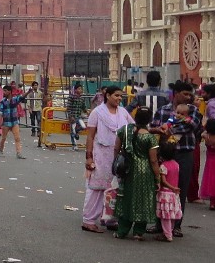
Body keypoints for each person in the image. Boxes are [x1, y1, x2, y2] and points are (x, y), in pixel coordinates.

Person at [149, 80, 201, 237]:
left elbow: (191, 126)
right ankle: (159, 223)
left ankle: (176, 225)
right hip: (164, 155)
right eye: (185, 94)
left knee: (180, 190)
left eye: (190, 94)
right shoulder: (163, 110)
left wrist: (167, 129)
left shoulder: (193, 111)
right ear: (176, 94)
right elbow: (154, 127)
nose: (188, 97)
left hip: (184, 154)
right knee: (161, 188)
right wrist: (159, 130)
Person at [82, 86, 135, 233]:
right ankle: (88, 220)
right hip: (101, 155)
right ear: (108, 95)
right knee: (96, 188)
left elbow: (133, 127)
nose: (119, 98)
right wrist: (89, 157)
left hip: (119, 156)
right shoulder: (97, 113)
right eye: (116, 95)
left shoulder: (123, 112)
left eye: (121, 96)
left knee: (115, 188)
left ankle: (110, 218)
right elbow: (90, 136)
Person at [111, 107, 157, 240]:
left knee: (126, 198)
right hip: (145, 172)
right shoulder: (150, 137)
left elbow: (116, 148)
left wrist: (117, 163)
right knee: (143, 200)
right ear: (149, 120)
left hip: (127, 170)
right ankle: (138, 232)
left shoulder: (124, 131)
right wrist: (158, 178)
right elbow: (153, 160)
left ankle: (122, 231)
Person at [155, 138, 183, 241]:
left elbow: (164, 181)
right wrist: (175, 188)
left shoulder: (163, 166)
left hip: (166, 193)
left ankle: (167, 235)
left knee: (165, 216)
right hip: (174, 194)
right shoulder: (176, 164)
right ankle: (169, 231)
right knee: (171, 215)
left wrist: (171, 187)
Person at [0, 84, 26, 159]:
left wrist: (28, 92)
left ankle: (18, 152)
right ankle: (1, 150)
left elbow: (22, 97)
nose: (4, 92)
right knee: (3, 138)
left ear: (9, 91)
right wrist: (0, 121)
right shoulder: (2, 101)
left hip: (14, 122)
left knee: (17, 138)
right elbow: (0, 112)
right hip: (6, 122)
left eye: (5, 91)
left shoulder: (15, 99)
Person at [67, 84, 88, 149]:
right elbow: (68, 107)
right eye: (79, 89)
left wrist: (87, 112)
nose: (80, 90)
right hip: (72, 117)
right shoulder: (71, 97)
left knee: (83, 127)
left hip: (78, 117)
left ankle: (76, 131)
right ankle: (74, 145)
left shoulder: (82, 98)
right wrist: (70, 116)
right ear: (75, 90)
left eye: (81, 89)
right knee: (72, 132)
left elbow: (84, 108)